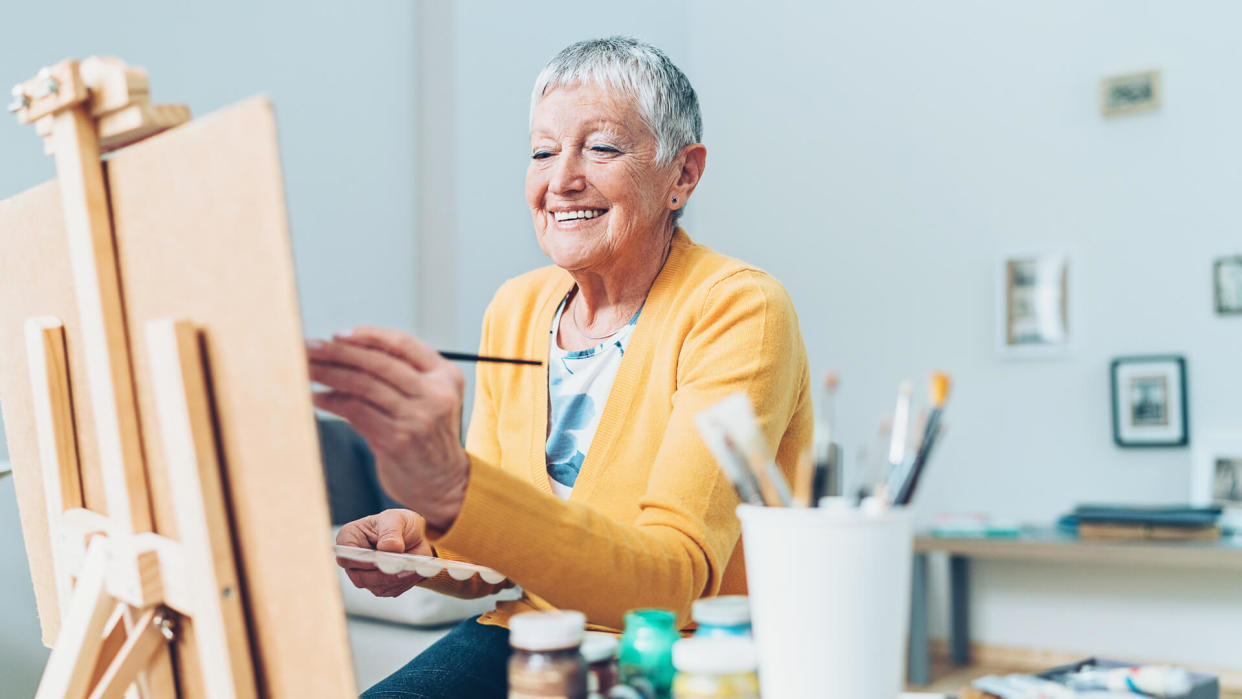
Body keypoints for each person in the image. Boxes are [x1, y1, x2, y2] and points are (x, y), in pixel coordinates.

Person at [307, 36, 812, 698]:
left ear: (682, 175)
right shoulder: (516, 306)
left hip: (672, 652)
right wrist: (424, 541)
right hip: (527, 632)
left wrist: (454, 488)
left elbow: (673, 584)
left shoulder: (739, 308)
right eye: (543, 151)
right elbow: (503, 536)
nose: (561, 178)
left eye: (601, 147)